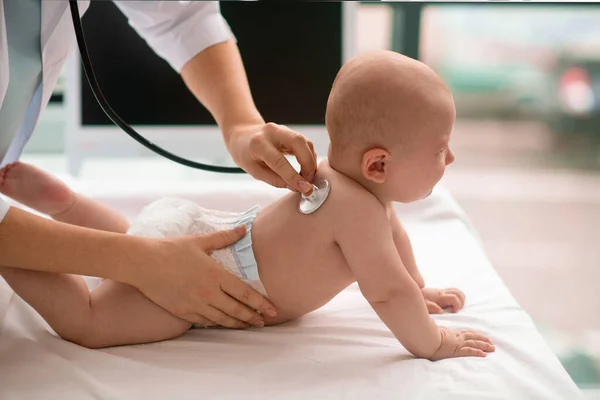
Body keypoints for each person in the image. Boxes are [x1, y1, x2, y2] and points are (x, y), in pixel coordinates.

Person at [0, 51, 496, 360]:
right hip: (211, 277)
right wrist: (433, 341)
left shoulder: (346, 187)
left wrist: (419, 289)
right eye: (440, 149)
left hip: (194, 228)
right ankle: (15, 254)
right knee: (89, 320)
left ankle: (67, 208)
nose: (450, 158)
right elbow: (387, 293)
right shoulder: (360, 212)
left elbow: (398, 259)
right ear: (379, 166)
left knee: (136, 245)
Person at [0, 1, 320, 329]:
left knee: (117, 265)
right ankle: (26, 246)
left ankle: (62, 211)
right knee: (94, 311)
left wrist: (242, 125)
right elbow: (379, 290)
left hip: (185, 235)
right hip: (187, 238)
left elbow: (180, 13)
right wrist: (143, 261)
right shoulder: (355, 207)